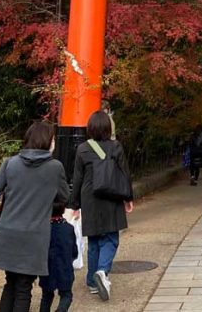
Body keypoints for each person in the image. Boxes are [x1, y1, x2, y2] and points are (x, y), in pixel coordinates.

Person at [0, 121, 69, 312]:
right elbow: (64, 197)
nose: (54, 142)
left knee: (10, 283)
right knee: (24, 288)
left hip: (8, 234)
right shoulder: (55, 167)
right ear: (47, 141)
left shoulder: (10, 163)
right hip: (34, 237)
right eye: (53, 139)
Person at [70, 111, 134, 302]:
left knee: (95, 240)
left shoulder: (82, 149)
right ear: (108, 128)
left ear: (90, 128)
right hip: (112, 198)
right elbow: (125, 173)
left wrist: (75, 205)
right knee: (111, 239)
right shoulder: (116, 147)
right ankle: (102, 271)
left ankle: (91, 281)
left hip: (90, 198)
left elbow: (77, 178)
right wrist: (128, 197)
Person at [39, 202, 78, 312]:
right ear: (63, 210)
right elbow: (74, 251)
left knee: (46, 296)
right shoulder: (68, 228)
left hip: (46, 268)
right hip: (64, 267)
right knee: (66, 295)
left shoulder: (43, 229)